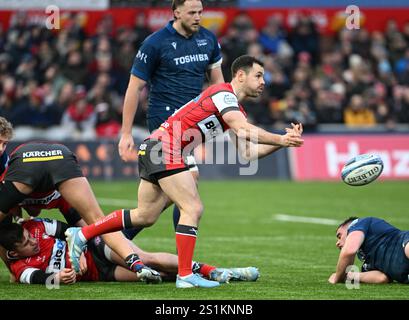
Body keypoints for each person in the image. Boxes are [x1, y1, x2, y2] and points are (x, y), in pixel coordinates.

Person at [66, 55, 304, 289]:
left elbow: (248, 153)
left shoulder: (232, 106)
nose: (264, 82)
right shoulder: (224, 94)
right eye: (259, 75)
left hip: (154, 146)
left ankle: (84, 233)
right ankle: (185, 275)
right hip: (165, 147)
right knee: (192, 208)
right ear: (240, 75)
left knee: (145, 215)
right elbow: (243, 130)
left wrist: (283, 144)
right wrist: (281, 138)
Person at [119, 0, 225, 239]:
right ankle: (183, 263)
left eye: (200, 12)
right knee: (190, 189)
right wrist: (126, 133)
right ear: (176, 13)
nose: (198, 17)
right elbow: (134, 88)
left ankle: (111, 241)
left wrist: (222, 118)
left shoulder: (208, 40)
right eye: (192, 13)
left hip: (192, 123)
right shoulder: (155, 43)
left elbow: (218, 84)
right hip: (164, 122)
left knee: (156, 204)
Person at [0, 139, 161, 283]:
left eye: (4, 143)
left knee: (105, 229)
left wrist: (14, 271)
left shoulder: (15, 194)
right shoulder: (59, 197)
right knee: (98, 222)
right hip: (60, 156)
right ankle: (137, 262)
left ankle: (138, 262)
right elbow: (91, 229)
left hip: (27, 165)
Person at [0, 218, 258, 285]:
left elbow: (70, 230)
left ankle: (219, 271)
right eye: (25, 244)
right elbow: (41, 280)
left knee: (145, 259)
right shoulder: (20, 268)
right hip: (99, 274)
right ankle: (206, 274)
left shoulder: (33, 227)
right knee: (157, 277)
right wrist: (61, 279)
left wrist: (76, 254)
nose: (32, 241)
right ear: (13, 253)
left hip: (96, 246)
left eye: (28, 237)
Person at [329, 216, 409, 284]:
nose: (337, 243)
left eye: (339, 236)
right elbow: (382, 278)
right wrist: (351, 275)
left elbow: (349, 251)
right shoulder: (367, 259)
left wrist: (337, 277)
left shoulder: (359, 223)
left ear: (349, 227)